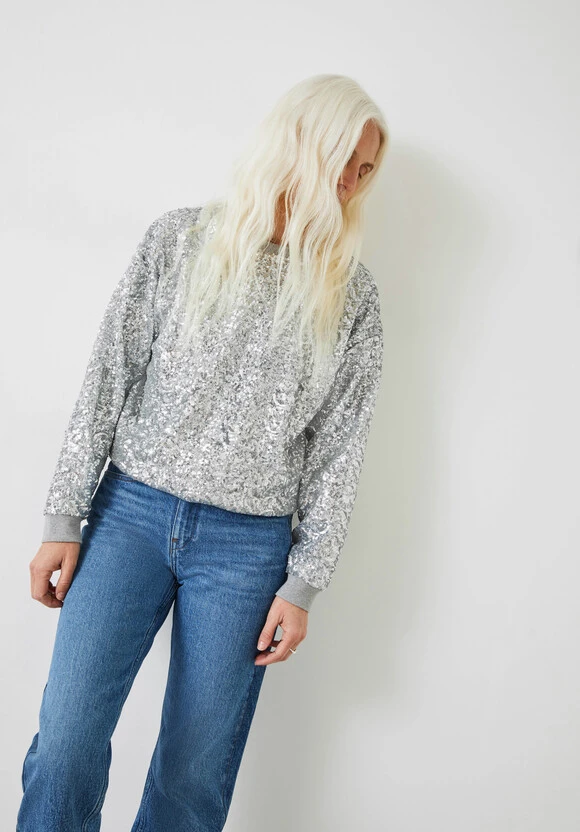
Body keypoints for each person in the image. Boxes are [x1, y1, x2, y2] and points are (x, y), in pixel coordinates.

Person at [17, 73, 388, 831]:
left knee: (193, 774)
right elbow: (109, 375)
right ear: (298, 143)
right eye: (343, 159)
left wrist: (304, 585)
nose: (352, 182)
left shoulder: (352, 296)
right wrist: (64, 517)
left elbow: (339, 450)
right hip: (128, 517)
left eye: (366, 170)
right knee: (66, 743)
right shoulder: (180, 241)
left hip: (247, 549)